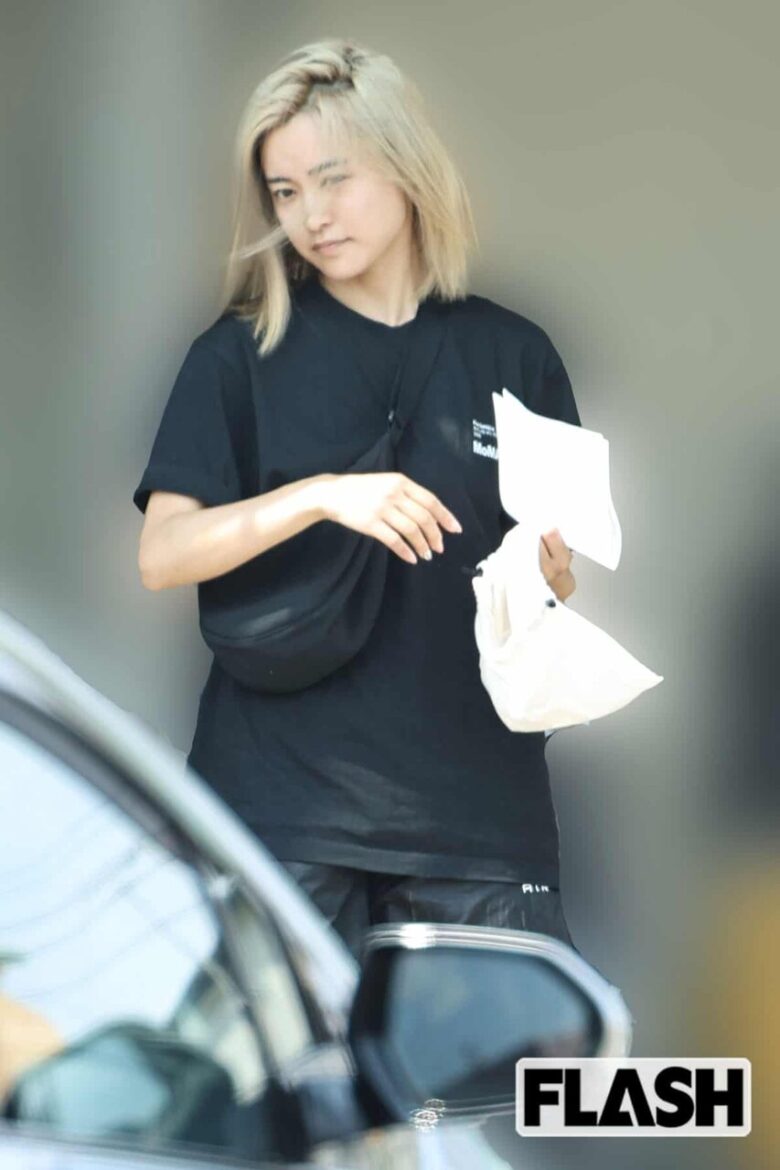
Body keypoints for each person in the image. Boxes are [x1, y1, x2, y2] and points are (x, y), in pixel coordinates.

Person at [133, 38, 581, 963]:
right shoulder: (237, 356)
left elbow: (556, 585)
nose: (312, 216)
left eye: (333, 180)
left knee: (495, 1063)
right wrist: (321, 497)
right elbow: (163, 554)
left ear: (406, 168)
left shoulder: (517, 355)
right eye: (285, 191)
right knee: (278, 1063)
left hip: (475, 823)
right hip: (278, 815)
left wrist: (549, 575)